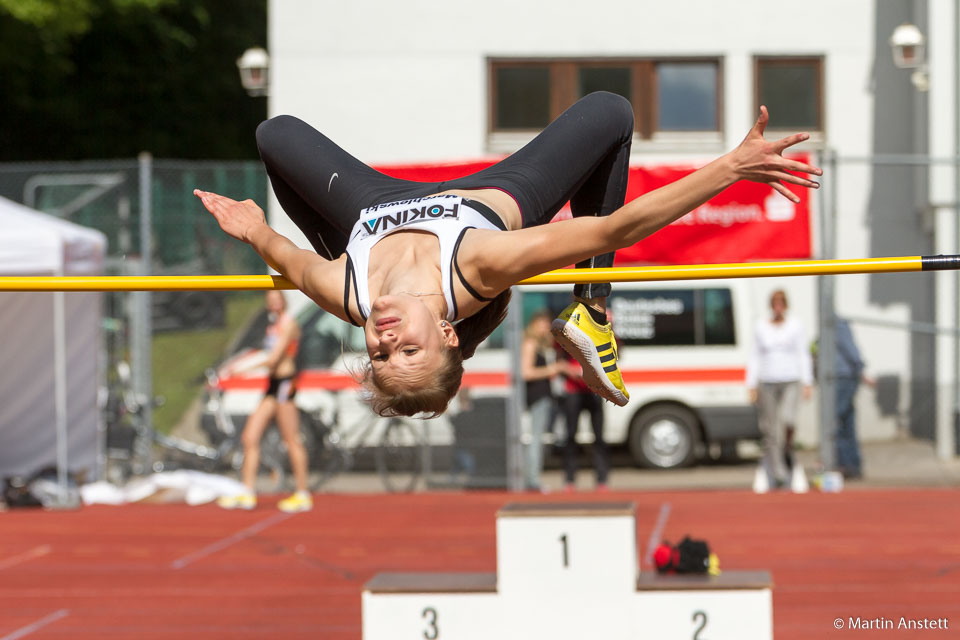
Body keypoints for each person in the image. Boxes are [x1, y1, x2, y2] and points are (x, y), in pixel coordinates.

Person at [195, 92, 821, 418]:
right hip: (486, 204)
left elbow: (278, 248)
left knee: (274, 136)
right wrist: (731, 167)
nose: (386, 339)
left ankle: (349, 238)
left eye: (380, 353)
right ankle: (594, 311)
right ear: (446, 332)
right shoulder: (480, 267)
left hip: (367, 211)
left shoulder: (348, 294)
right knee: (611, 113)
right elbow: (617, 228)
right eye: (408, 349)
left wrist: (253, 230)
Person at [217, 290, 313, 512]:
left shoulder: (288, 325)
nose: (272, 304)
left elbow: (272, 359)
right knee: (250, 436)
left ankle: (302, 492)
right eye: (269, 300)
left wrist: (240, 369)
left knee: (291, 438)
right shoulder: (273, 325)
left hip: (285, 385)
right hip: (272, 386)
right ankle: (247, 491)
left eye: (275, 300)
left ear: (283, 301)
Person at [746, 289, 814, 488]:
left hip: (790, 380)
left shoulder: (795, 325)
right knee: (771, 429)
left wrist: (807, 381)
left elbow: (803, 353)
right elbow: (755, 355)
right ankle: (779, 472)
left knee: (787, 420)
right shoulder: (761, 326)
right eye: (775, 302)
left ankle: (787, 452)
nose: (778, 306)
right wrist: (750, 384)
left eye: (781, 302)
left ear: (785, 305)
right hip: (767, 381)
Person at [521, 310, 565, 491]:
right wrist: (553, 369)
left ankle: (532, 478)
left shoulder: (541, 344)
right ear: (533, 324)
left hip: (543, 395)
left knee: (539, 438)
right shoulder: (530, 343)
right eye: (542, 324)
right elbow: (526, 372)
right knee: (536, 438)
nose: (545, 328)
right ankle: (532, 480)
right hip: (537, 395)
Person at [558, 345, 610, 491]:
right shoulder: (567, 333)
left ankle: (602, 479)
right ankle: (569, 479)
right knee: (570, 435)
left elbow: (610, 356)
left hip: (595, 390)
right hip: (573, 390)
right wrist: (570, 370)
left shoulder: (598, 333)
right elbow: (559, 360)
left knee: (599, 436)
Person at [834, 317, 872, 480]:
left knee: (836, 421)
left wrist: (861, 370)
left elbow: (851, 351)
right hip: (841, 377)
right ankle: (852, 464)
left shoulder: (837, 325)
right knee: (847, 422)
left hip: (844, 378)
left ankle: (845, 463)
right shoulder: (831, 325)